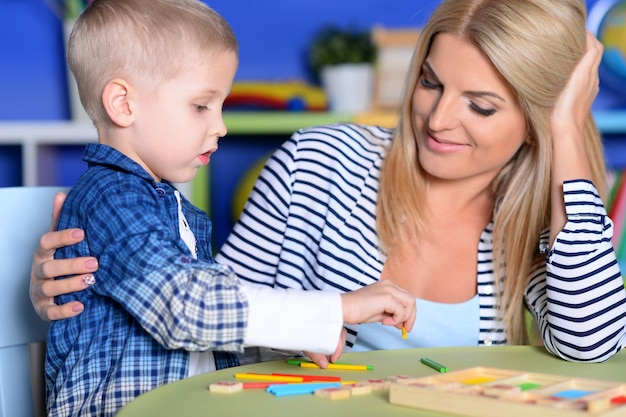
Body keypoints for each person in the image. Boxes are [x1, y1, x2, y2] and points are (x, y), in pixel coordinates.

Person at [32, 0, 626, 370]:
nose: (439, 120)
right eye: (429, 82)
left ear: (533, 125)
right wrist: (100, 288)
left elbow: (592, 345)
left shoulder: (548, 218)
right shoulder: (322, 162)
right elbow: (207, 320)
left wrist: (568, 128)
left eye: (482, 106)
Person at [42, 0, 416, 415]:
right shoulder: (114, 198)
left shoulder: (164, 204)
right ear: (123, 104)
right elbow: (186, 305)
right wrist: (335, 308)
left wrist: (296, 333)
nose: (220, 126)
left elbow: (206, 335)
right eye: (201, 106)